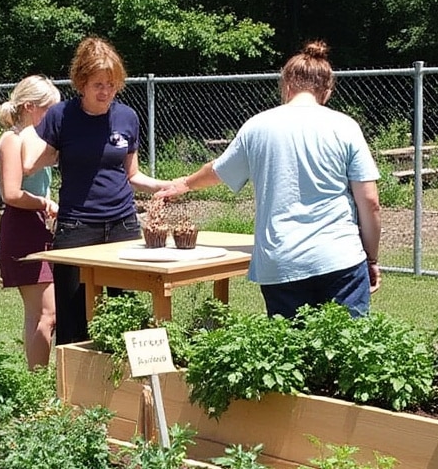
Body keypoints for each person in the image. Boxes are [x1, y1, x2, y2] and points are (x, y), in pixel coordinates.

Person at [156, 41, 381, 319]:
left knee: (287, 354)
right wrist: (370, 258)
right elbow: (370, 202)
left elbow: (218, 170)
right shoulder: (345, 127)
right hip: (341, 258)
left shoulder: (257, 126)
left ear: (286, 85)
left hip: (281, 263)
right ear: (327, 91)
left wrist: (185, 184)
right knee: (349, 352)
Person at [21, 36, 173, 344]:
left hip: (122, 224)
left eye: (112, 84)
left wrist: (164, 185)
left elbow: (132, 174)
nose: (105, 92)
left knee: (125, 311)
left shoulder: (126, 117)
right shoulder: (61, 115)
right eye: (98, 85)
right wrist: (40, 149)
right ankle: (72, 389)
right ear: (81, 83)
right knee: (73, 312)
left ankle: (125, 384)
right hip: (77, 226)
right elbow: (29, 161)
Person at [0, 75, 61, 369]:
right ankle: (37, 382)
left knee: (38, 314)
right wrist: (44, 203)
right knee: (48, 315)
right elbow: (11, 193)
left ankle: (34, 377)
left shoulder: (33, 139)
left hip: (36, 226)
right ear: (28, 106)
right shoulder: (12, 139)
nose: (54, 117)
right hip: (22, 227)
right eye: (49, 110)